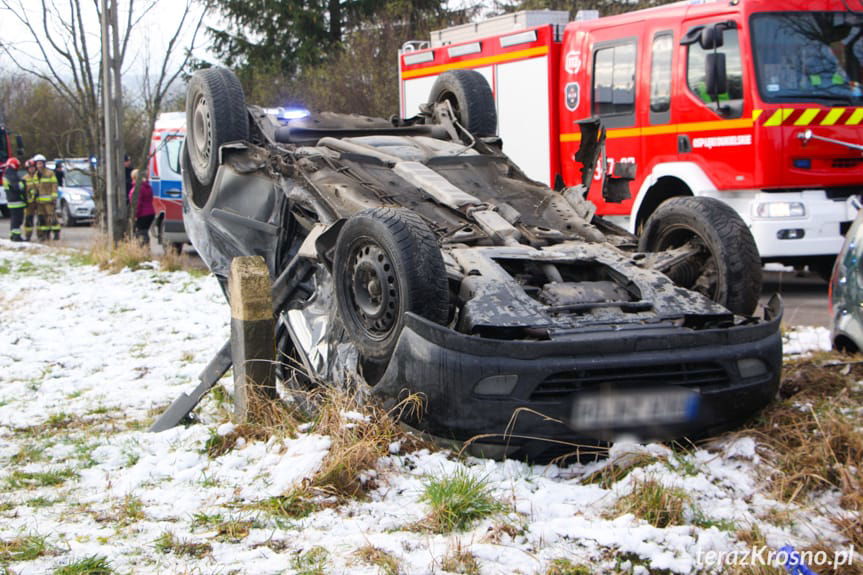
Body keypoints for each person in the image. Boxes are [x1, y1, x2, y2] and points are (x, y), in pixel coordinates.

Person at [31, 154, 60, 241]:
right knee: (42, 218)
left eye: (40, 163)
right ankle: (45, 235)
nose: (39, 165)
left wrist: (54, 197)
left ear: (44, 163)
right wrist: (33, 196)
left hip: (49, 201)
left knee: (51, 217)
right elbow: (34, 187)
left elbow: (54, 185)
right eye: (37, 164)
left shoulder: (50, 173)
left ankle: (56, 234)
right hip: (39, 202)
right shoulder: (35, 175)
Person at [129, 168, 154, 247]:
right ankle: (145, 247)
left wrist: (135, 215)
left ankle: (143, 248)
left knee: (141, 232)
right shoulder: (147, 186)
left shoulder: (138, 188)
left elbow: (137, 204)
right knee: (144, 232)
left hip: (142, 214)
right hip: (150, 212)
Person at [3, 158, 25, 242]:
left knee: (14, 219)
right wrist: (23, 184)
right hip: (16, 201)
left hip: (12, 201)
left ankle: (13, 235)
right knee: (17, 220)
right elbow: (17, 187)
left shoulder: (8, 173)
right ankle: (16, 236)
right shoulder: (11, 174)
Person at [21, 159, 38, 241]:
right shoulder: (24, 178)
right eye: (29, 168)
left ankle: (42, 235)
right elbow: (22, 191)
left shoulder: (39, 176)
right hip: (29, 203)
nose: (31, 169)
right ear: (27, 169)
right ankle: (28, 236)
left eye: (33, 167)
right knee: (28, 219)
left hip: (38, 201)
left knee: (41, 219)